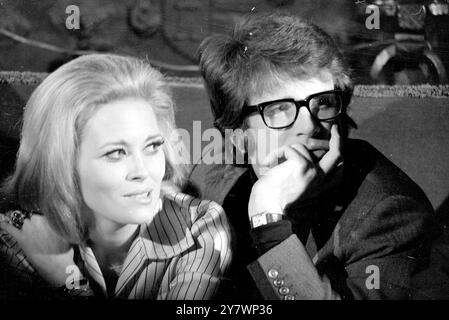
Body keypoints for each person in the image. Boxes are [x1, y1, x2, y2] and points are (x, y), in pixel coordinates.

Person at [191, 12, 437, 300]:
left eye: (323, 103)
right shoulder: (213, 188)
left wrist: (268, 219)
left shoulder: (388, 213)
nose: (310, 124)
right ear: (239, 137)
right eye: (280, 108)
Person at [0, 54, 231, 299]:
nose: (143, 172)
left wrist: (65, 279)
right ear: (62, 164)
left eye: (152, 146)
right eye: (116, 153)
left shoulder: (200, 228)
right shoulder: (20, 237)